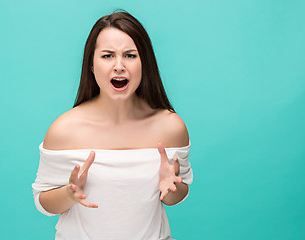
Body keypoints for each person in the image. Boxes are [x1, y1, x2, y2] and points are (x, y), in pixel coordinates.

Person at [32, 10, 193, 240]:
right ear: (91, 65)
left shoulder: (171, 127)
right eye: (107, 56)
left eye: (130, 55)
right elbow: (42, 201)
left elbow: (177, 195)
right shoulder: (64, 129)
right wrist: (70, 193)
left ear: (144, 63)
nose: (119, 66)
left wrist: (172, 188)